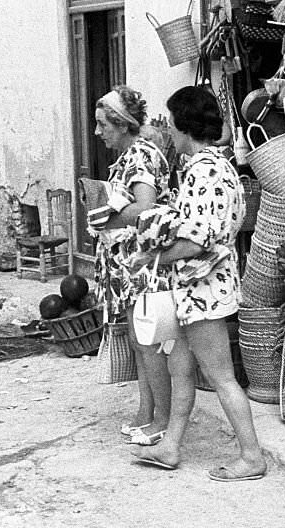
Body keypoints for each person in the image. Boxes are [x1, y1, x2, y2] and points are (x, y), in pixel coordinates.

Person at [130, 85, 266, 481]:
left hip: (203, 289)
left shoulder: (204, 171)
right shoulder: (217, 165)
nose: (167, 130)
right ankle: (170, 446)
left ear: (183, 125)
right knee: (180, 369)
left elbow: (196, 240)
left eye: (170, 122)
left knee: (222, 377)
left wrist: (150, 257)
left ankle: (252, 456)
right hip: (200, 287)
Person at [88, 85, 173, 447]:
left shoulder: (141, 156)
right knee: (140, 342)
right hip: (125, 264)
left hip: (141, 263)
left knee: (148, 341)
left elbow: (145, 207)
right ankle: (145, 414)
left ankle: (163, 420)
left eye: (102, 124)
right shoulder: (129, 156)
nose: (97, 132)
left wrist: (108, 219)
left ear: (121, 124)